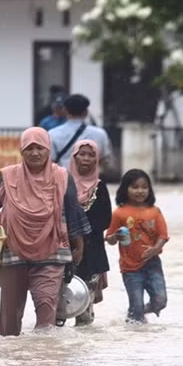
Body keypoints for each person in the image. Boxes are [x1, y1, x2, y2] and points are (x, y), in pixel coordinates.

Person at [0, 127, 91, 336]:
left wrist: (79, 244)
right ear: (21, 151)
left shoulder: (62, 176)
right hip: (12, 249)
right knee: (10, 319)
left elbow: (72, 211)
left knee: (46, 311)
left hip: (52, 250)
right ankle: (11, 354)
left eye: (40, 148)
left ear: (48, 150)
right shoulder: (8, 175)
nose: (35, 153)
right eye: (29, 148)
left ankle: (43, 354)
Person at [56, 140, 112, 327]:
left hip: (92, 253)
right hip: (63, 250)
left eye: (91, 155)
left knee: (84, 310)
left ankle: (85, 345)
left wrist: (82, 231)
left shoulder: (100, 187)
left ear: (97, 160)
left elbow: (105, 220)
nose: (86, 159)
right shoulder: (62, 184)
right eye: (82, 154)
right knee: (57, 306)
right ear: (74, 157)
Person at [105, 169, 169, 324]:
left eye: (144, 187)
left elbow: (163, 235)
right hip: (130, 268)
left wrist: (155, 249)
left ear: (150, 189)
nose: (140, 191)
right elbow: (109, 239)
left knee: (160, 301)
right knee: (136, 306)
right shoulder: (119, 213)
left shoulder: (154, 211)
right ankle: (135, 330)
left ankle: (136, 314)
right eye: (135, 187)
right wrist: (116, 236)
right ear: (125, 189)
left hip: (152, 264)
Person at [49, 93, 113, 171]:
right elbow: (105, 160)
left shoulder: (52, 134)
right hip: (91, 177)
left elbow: (51, 161)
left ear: (65, 110)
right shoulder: (100, 134)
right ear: (86, 112)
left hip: (63, 177)